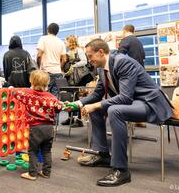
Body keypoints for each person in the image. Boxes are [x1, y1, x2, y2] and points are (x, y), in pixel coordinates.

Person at [67, 39, 173, 187]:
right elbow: (97, 94)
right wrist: (76, 104)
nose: (89, 60)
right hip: (134, 102)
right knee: (96, 109)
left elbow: (125, 97)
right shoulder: (101, 68)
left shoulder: (122, 62)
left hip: (149, 103)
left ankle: (121, 169)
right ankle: (102, 154)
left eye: (90, 56)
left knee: (114, 110)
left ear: (101, 52)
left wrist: (96, 105)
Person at [15, 70, 63, 180]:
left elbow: (16, 94)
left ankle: (32, 174)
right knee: (46, 150)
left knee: (33, 150)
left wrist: (11, 89)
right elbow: (59, 108)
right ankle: (46, 172)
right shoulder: (51, 97)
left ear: (31, 81)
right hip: (49, 128)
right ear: (47, 83)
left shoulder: (28, 95)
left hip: (36, 127)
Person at [36, 23, 67, 97]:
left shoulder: (43, 39)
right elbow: (64, 59)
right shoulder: (61, 42)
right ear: (57, 32)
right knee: (54, 96)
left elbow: (39, 55)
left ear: (48, 30)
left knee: (43, 95)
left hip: (46, 72)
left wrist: (38, 67)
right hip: (58, 72)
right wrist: (60, 67)